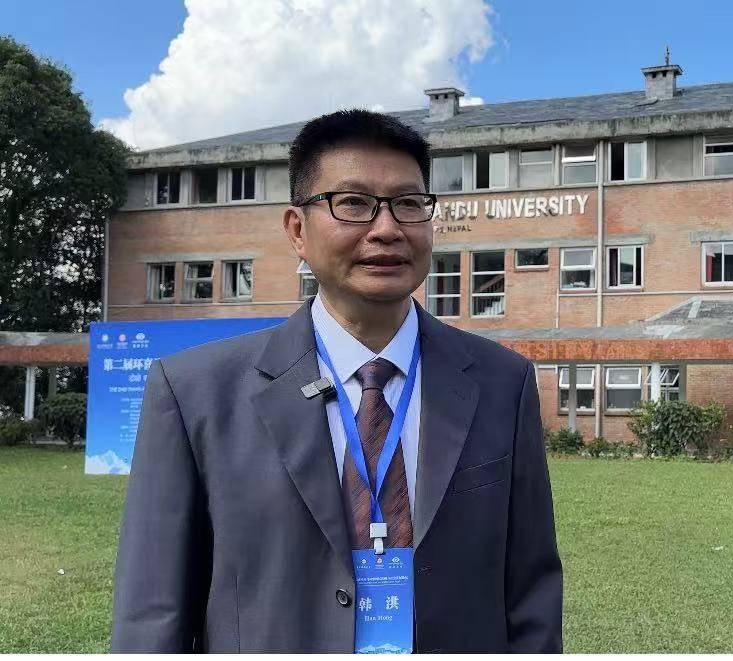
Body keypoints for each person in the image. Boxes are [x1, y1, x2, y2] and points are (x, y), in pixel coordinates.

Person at [111, 110, 563, 653]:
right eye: (352, 203)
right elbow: (152, 613)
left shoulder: (502, 383)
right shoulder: (194, 393)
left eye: (408, 203)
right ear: (297, 230)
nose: (387, 228)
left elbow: (531, 592)